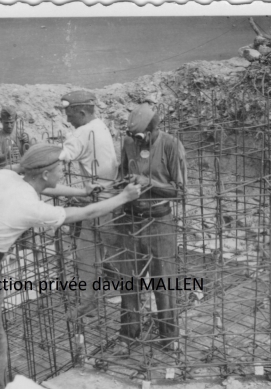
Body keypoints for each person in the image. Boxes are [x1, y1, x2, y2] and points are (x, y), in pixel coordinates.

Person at [0, 143, 141, 389]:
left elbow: (34, 175)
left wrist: (81, 191)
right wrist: (124, 197)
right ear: (45, 174)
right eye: (61, 169)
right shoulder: (30, 207)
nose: (63, 172)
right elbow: (88, 214)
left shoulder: (6, 176)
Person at [110, 103, 187, 356]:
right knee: (128, 282)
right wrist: (123, 183)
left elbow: (180, 191)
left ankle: (169, 336)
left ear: (155, 128)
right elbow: (122, 174)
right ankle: (128, 335)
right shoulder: (129, 143)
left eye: (143, 136)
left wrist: (149, 182)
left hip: (159, 221)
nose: (139, 142)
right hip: (131, 220)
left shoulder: (170, 144)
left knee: (163, 282)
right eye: (135, 138)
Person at [56, 91, 119, 319]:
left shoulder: (82, 133)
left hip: (102, 204)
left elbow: (59, 157)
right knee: (87, 254)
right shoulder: (100, 125)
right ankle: (89, 303)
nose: (68, 120)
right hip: (107, 199)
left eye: (70, 114)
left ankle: (137, 302)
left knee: (116, 255)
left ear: (81, 112)